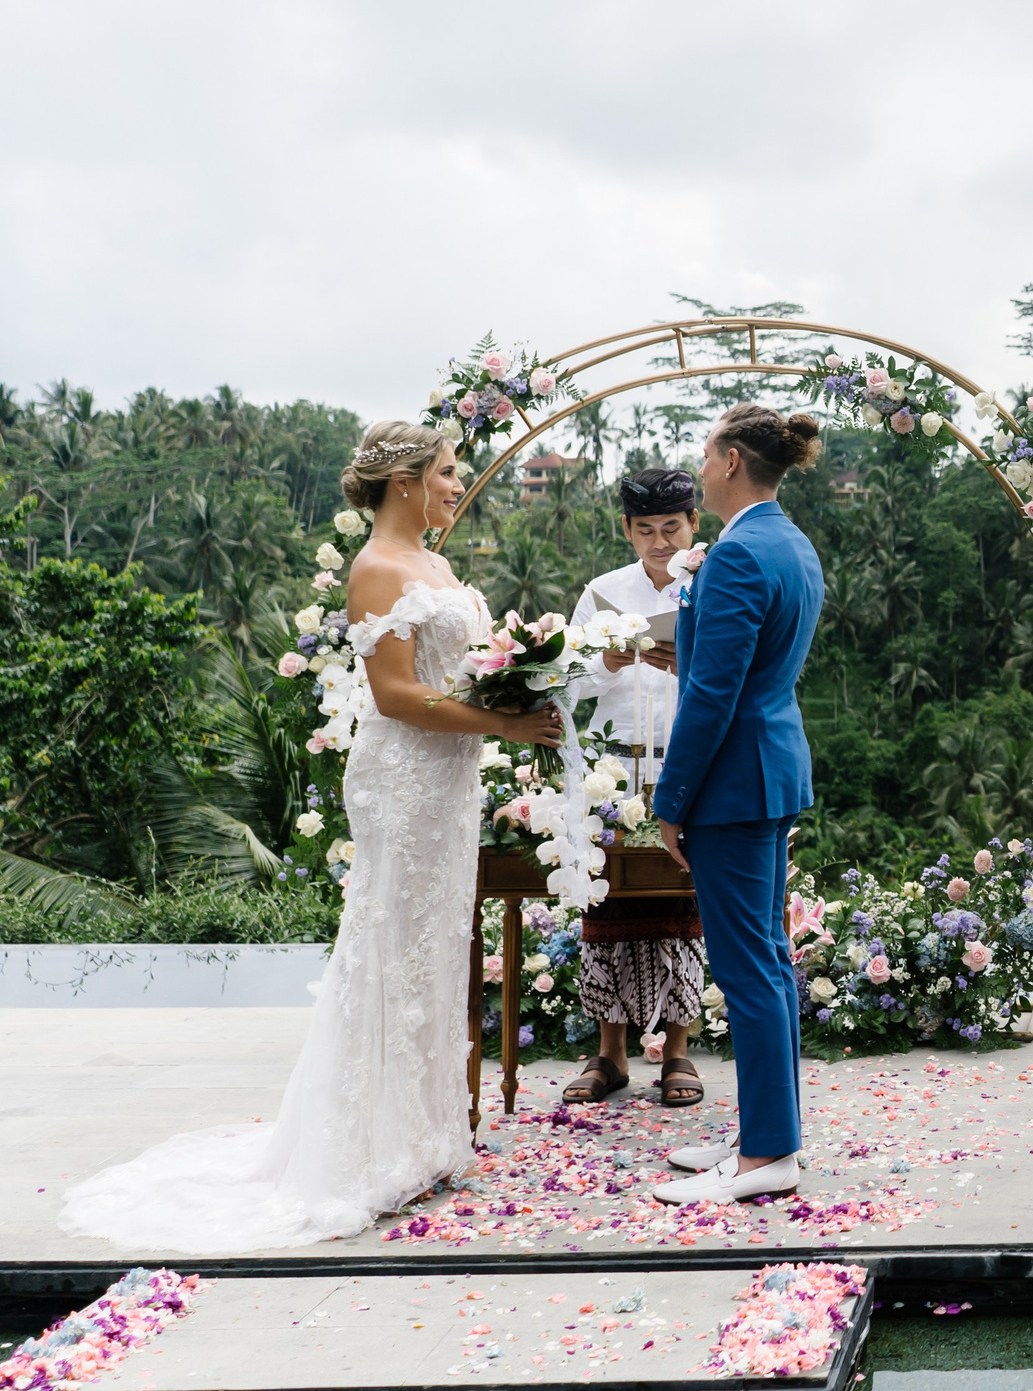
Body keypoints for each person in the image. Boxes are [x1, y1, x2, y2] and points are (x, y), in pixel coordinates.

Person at [59, 422, 564, 1252]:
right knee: (391, 946)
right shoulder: (375, 569)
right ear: (402, 481)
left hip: (448, 781)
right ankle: (372, 1147)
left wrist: (516, 682)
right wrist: (502, 724)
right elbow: (398, 694)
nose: (454, 483)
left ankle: (430, 1137)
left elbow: (454, 671)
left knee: (435, 947)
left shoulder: (436, 563)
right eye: (444, 471)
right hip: (403, 779)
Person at [647, 403, 826, 1207]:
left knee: (750, 965)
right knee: (768, 960)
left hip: (732, 782)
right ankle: (766, 1128)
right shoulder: (788, 542)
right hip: (768, 768)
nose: (700, 457)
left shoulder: (739, 556)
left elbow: (711, 694)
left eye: (704, 448)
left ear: (726, 460)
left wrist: (671, 799)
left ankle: (766, 1156)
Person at [559, 466, 706, 1107]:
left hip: (687, 759)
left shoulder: (711, 581)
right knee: (607, 903)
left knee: (683, 909)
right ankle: (610, 1054)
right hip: (614, 766)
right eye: (645, 530)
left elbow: (742, 668)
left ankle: (678, 1052)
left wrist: (690, 658)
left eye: (671, 528)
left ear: (693, 524)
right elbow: (563, 680)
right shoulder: (601, 592)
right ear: (627, 529)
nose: (659, 542)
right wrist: (604, 660)